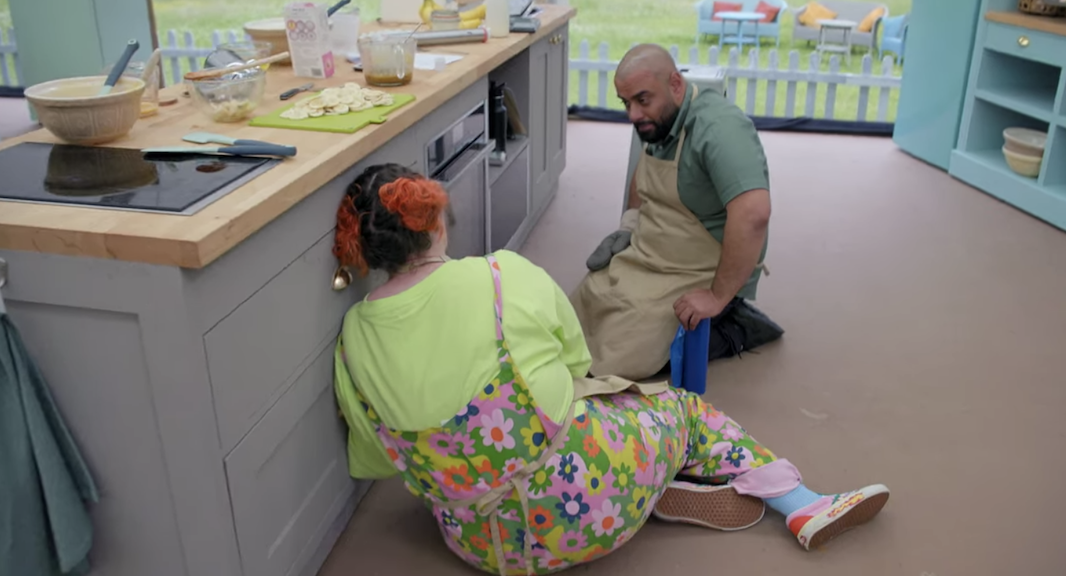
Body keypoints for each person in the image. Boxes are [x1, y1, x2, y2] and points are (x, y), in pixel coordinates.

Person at [330, 163, 889, 576]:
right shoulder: (501, 276)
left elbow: (378, 458)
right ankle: (801, 504)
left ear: (366, 253)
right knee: (677, 408)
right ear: (434, 221)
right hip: (585, 505)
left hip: (485, 544)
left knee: (529, 443)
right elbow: (576, 360)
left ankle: (652, 486)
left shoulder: (353, 340)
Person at [569, 43, 785, 381]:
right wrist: (627, 228)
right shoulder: (659, 119)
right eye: (626, 104)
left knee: (619, 355)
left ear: (675, 84)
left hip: (699, 266)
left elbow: (754, 213)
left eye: (642, 100)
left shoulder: (720, 129)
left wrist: (715, 296)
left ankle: (732, 318)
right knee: (588, 301)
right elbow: (642, 176)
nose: (633, 115)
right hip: (654, 250)